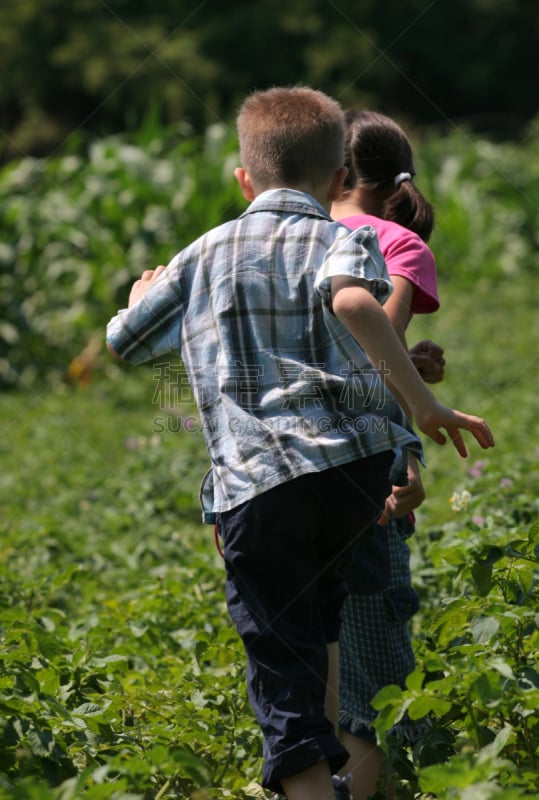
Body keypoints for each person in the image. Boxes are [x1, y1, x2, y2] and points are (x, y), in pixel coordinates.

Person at [106, 86, 494, 800]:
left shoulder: (203, 251)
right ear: (341, 179)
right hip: (350, 476)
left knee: (280, 656)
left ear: (243, 178)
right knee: (319, 616)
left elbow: (128, 343)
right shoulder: (346, 237)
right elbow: (352, 305)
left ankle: (313, 783)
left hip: (257, 484)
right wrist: (422, 402)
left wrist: (137, 300)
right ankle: (344, 772)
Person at [330, 109, 447, 799]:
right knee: (374, 648)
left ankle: (310, 781)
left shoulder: (287, 234)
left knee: (309, 645)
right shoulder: (399, 244)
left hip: (269, 468)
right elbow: (370, 359)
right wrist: (410, 375)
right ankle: (359, 785)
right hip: (365, 463)